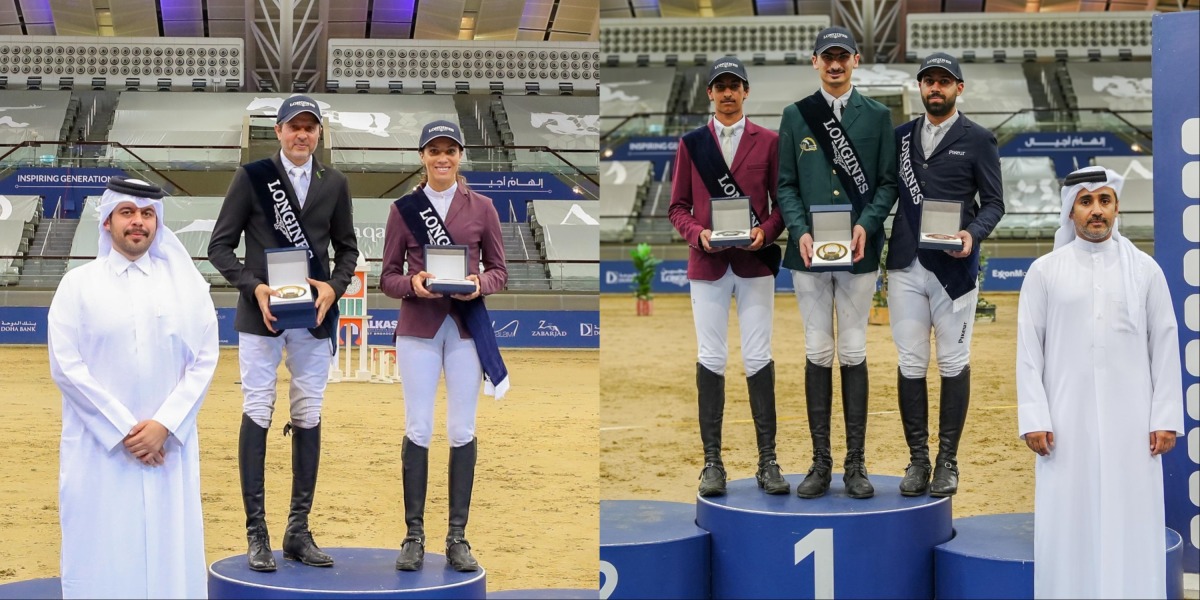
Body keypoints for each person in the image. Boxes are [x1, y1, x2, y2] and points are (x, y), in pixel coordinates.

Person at [1016, 165, 1183, 599]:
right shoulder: (1044, 271)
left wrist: (1165, 417)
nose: (1096, 211)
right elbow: (1029, 351)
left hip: (1134, 428)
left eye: (1104, 201)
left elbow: (1165, 343)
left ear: (1116, 208)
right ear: (1070, 211)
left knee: (1133, 522)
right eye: (1086, 202)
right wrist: (1034, 416)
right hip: (1064, 427)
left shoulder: (1146, 271)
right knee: (1068, 522)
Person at [208, 95, 359, 571]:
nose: (302, 134)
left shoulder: (335, 183)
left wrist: (334, 288)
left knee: (309, 412)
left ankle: (298, 529)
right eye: (294, 126)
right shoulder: (251, 177)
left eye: (310, 128)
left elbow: (348, 250)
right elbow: (219, 246)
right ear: (278, 131)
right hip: (263, 317)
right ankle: (257, 532)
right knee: (258, 408)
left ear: (319, 134)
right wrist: (253, 288)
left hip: (312, 319)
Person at [48, 177, 218, 598]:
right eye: (127, 213)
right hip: (100, 449)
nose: (137, 222)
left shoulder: (188, 287)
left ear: (157, 223)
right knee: (103, 550)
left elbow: (205, 360)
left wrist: (164, 424)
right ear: (107, 222)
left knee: (169, 553)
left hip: (169, 449)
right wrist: (126, 429)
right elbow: (66, 366)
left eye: (146, 214)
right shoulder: (78, 285)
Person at [380, 120, 509, 572]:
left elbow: (499, 270)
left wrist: (479, 283)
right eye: (434, 150)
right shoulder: (403, 209)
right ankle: (414, 535)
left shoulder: (484, 208)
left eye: (450, 150)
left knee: (461, 429)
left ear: (459, 156)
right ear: (422, 157)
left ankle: (457, 536)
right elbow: (388, 278)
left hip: (466, 329)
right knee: (418, 427)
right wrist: (413, 283)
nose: (442, 158)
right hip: (419, 327)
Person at [777, 26, 898, 499]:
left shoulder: (878, 116)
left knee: (852, 350)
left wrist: (866, 223)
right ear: (814, 62)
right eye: (827, 57)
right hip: (808, 254)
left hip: (859, 252)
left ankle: (855, 464)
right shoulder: (795, 116)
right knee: (816, 351)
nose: (834, 64)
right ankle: (820, 462)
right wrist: (800, 230)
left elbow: (888, 183)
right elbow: (786, 184)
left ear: (855, 60)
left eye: (842, 57)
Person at [667, 55, 788, 497]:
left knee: (759, 356)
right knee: (711, 357)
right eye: (721, 86)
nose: (728, 92)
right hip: (710, 264)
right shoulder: (691, 143)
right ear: (710, 93)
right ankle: (712, 463)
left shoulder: (769, 141)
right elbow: (677, 207)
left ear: (746, 91)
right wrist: (698, 235)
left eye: (735, 85)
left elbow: (781, 205)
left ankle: (767, 461)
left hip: (754, 263)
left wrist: (766, 231)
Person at [887, 53, 1004, 498]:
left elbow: (994, 202)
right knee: (911, 364)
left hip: (954, 269)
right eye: (929, 81)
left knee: (953, 363)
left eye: (944, 81)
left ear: (959, 87)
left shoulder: (979, 139)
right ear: (920, 87)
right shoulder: (899, 138)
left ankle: (947, 461)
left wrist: (973, 234)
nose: (935, 88)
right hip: (904, 267)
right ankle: (918, 459)